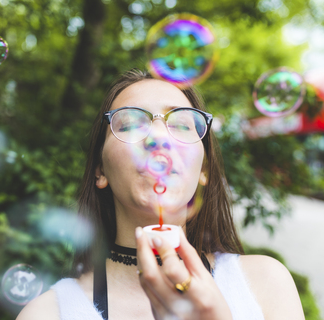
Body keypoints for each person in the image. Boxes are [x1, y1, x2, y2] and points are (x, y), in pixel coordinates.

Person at [17, 69, 305, 320]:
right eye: (129, 124)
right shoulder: (47, 313)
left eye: (181, 124)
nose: (158, 138)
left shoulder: (266, 283)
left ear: (204, 169)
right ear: (100, 171)